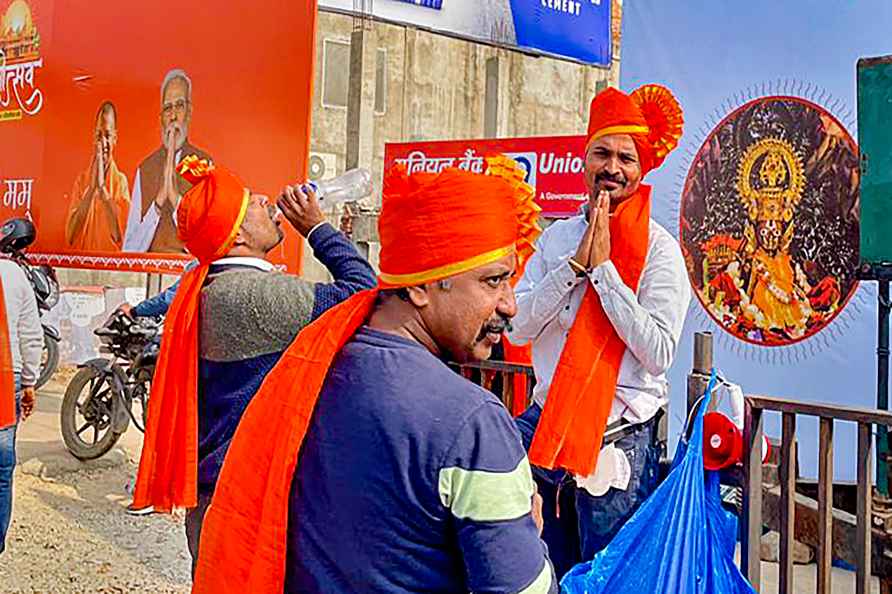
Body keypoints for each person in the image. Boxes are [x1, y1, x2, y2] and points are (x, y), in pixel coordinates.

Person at [192, 159, 556, 594]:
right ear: (419, 286)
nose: (509, 305)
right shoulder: (473, 421)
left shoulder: (311, 369)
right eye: (493, 280)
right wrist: (528, 535)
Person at [128, 156, 376, 570]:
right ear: (237, 233)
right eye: (252, 203)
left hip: (217, 492)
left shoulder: (206, 288)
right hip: (246, 499)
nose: (266, 200)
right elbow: (364, 293)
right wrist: (316, 227)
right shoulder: (256, 295)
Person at [507, 85, 692, 577]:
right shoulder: (558, 239)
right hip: (548, 428)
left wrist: (606, 274)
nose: (612, 168)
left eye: (625, 158)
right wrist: (572, 268)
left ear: (642, 167)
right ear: (584, 159)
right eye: (601, 153)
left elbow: (657, 352)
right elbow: (519, 327)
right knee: (540, 570)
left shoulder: (660, 251)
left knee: (608, 577)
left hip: (621, 441)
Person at [122, 69, 211, 254]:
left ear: (189, 113)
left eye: (179, 105)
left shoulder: (204, 165)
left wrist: (175, 198)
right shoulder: (145, 169)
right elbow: (130, 249)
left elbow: (207, 243)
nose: (173, 117)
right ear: (161, 118)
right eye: (167, 108)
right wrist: (159, 201)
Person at [0, 257, 43, 554]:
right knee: (1, 468)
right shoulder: (12, 272)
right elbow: (30, 333)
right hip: (5, 374)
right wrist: (29, 381)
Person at [65, 101, 131, 251]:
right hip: (81, 268)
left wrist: (102, 190)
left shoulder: (120, 182)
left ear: (115, 139)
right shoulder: (81, 181)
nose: (103, 142)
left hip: (111, 272)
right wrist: (91, 189)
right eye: (99, 136)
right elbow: (70, 237)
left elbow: (119, 236)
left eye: (107, 135)